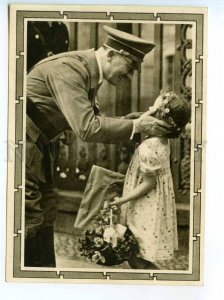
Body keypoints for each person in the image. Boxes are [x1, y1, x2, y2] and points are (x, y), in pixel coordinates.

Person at [25, 25, 172, 267]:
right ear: (111, 54)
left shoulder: (88, 70)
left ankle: (43, 276)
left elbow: (90, 121)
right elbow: (87, 127)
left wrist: (133, 122)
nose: (131, 75)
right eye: (130, 66)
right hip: (22, 146)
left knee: (46, 210)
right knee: (30, 215)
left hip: (39, 147)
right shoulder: (70, 69)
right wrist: (137, 125)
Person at [109, 91, 191, 269]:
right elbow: (138, 122)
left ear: (161, 115)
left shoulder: (149, 146)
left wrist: (123, 199)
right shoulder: (160, 140)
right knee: (135, 255)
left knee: (136, 257)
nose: (149, 110)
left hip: (144, 204)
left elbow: (148, 183)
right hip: (150, 202)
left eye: (153, 107)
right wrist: (154, 110)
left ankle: (158, 288)